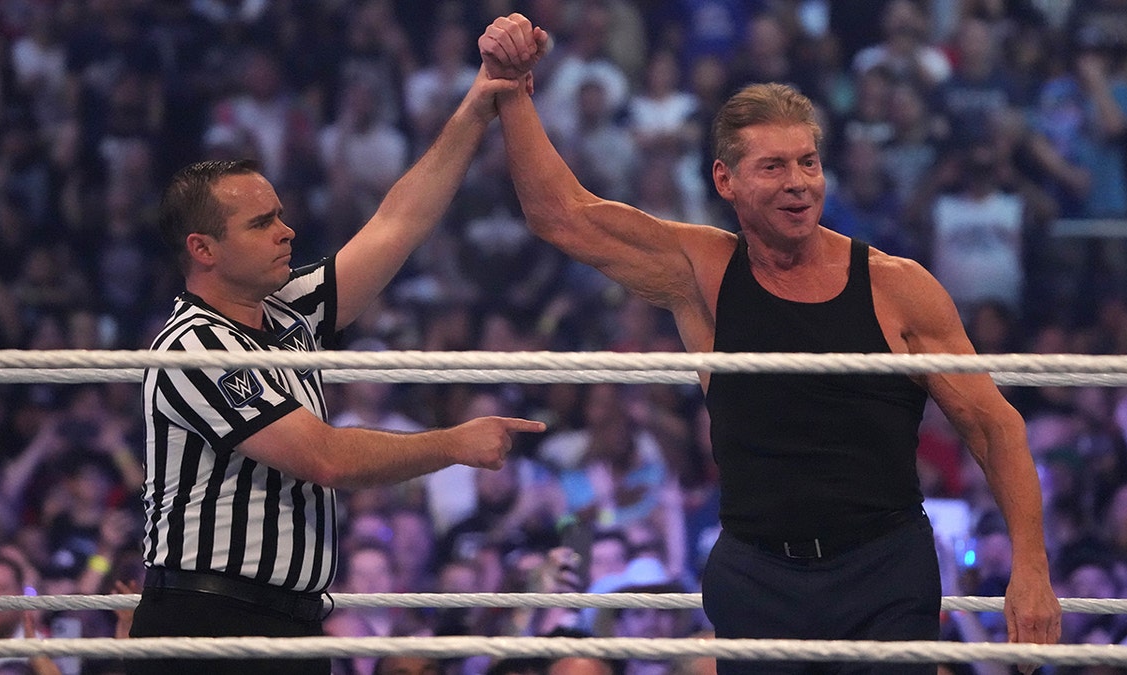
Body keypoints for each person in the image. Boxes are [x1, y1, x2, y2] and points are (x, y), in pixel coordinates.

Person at [479, 14, 1061, 675]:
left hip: (884, 570)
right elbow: (561, 215)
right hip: (758, 574)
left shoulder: (898, 288)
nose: (798, 182)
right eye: (774, 166)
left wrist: (1031, 568)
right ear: (726, 181)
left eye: (809, 162)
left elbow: (995, 426)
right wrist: (512, 86)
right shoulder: (701, 273)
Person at [128, 41, 547, 675]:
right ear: (203, 249)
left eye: (282, 215)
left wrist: (475, 108)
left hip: (293, 624)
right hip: (207, 624)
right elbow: (324, 457)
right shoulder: (192, 347)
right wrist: (453, 444)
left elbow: (396, 224)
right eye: (261, 223)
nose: (286, 231)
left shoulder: (291, 310)